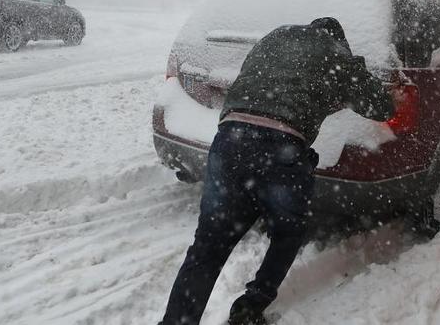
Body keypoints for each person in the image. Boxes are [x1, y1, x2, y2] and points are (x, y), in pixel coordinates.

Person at [160, 17, 394, 325]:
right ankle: (250, 307)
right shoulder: (336, 54)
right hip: (280, 148)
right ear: (339, 41)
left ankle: (176, 322)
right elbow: (380, 106)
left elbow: (260, 82)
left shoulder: (276, 36)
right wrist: (361, 74)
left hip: (230, 140)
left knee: (208, 245)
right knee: (287, 233)